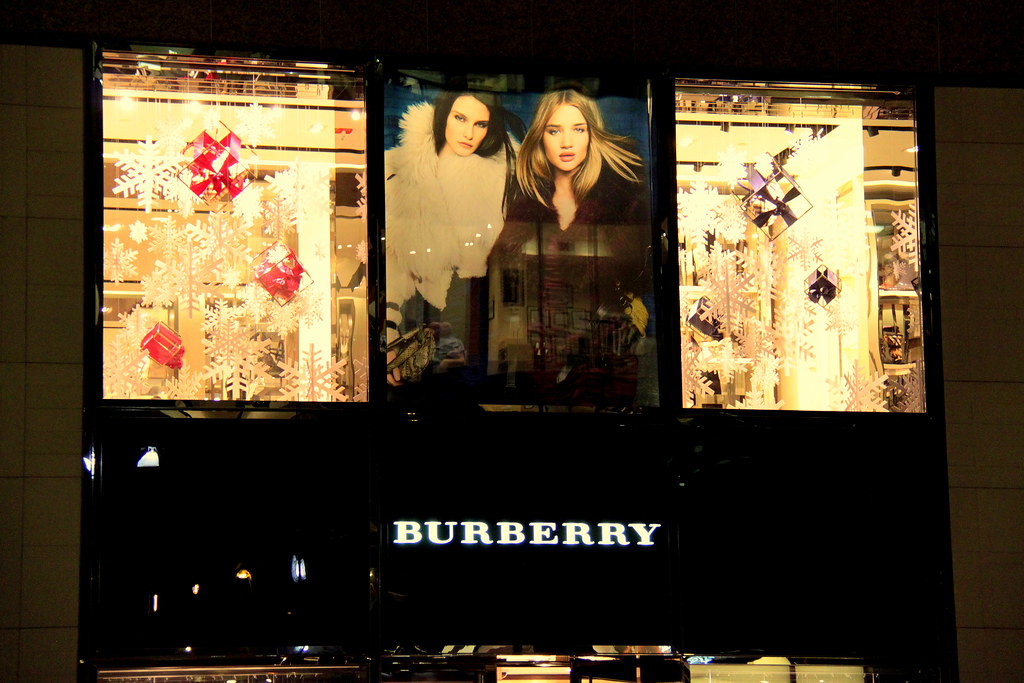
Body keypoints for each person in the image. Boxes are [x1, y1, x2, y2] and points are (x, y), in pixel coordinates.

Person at [486, 87, 655, 407]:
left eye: (578, 129)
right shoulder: (524, 201)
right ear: (541, 136)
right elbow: (501, 278)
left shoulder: (622, 198)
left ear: (592, 134)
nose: (567, 142)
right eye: (555, 130)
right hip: (539, 359)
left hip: (605, 361)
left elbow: (639, 277)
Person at [384, 89, 521, 385]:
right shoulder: (400, 170)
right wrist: (390, 332)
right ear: (444, 117)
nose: (468, 133)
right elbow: (393, 263)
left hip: (474, 317)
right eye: (460, 118)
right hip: (417, 319)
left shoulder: (503, 180)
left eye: (480, 124)